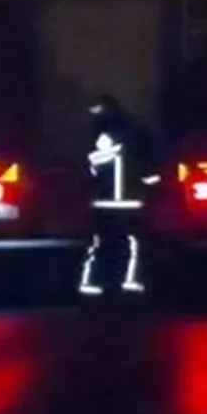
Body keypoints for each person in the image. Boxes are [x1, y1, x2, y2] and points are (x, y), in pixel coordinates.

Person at [78, 94, 161, 297]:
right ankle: (130, 282)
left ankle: (93, 283)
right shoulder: (138, 131)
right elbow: (150, 169)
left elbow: (87, 168)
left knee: (101, 244)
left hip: (103, 203)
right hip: (131, 202)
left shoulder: (95, 133)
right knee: (132, 244)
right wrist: (152, 187)